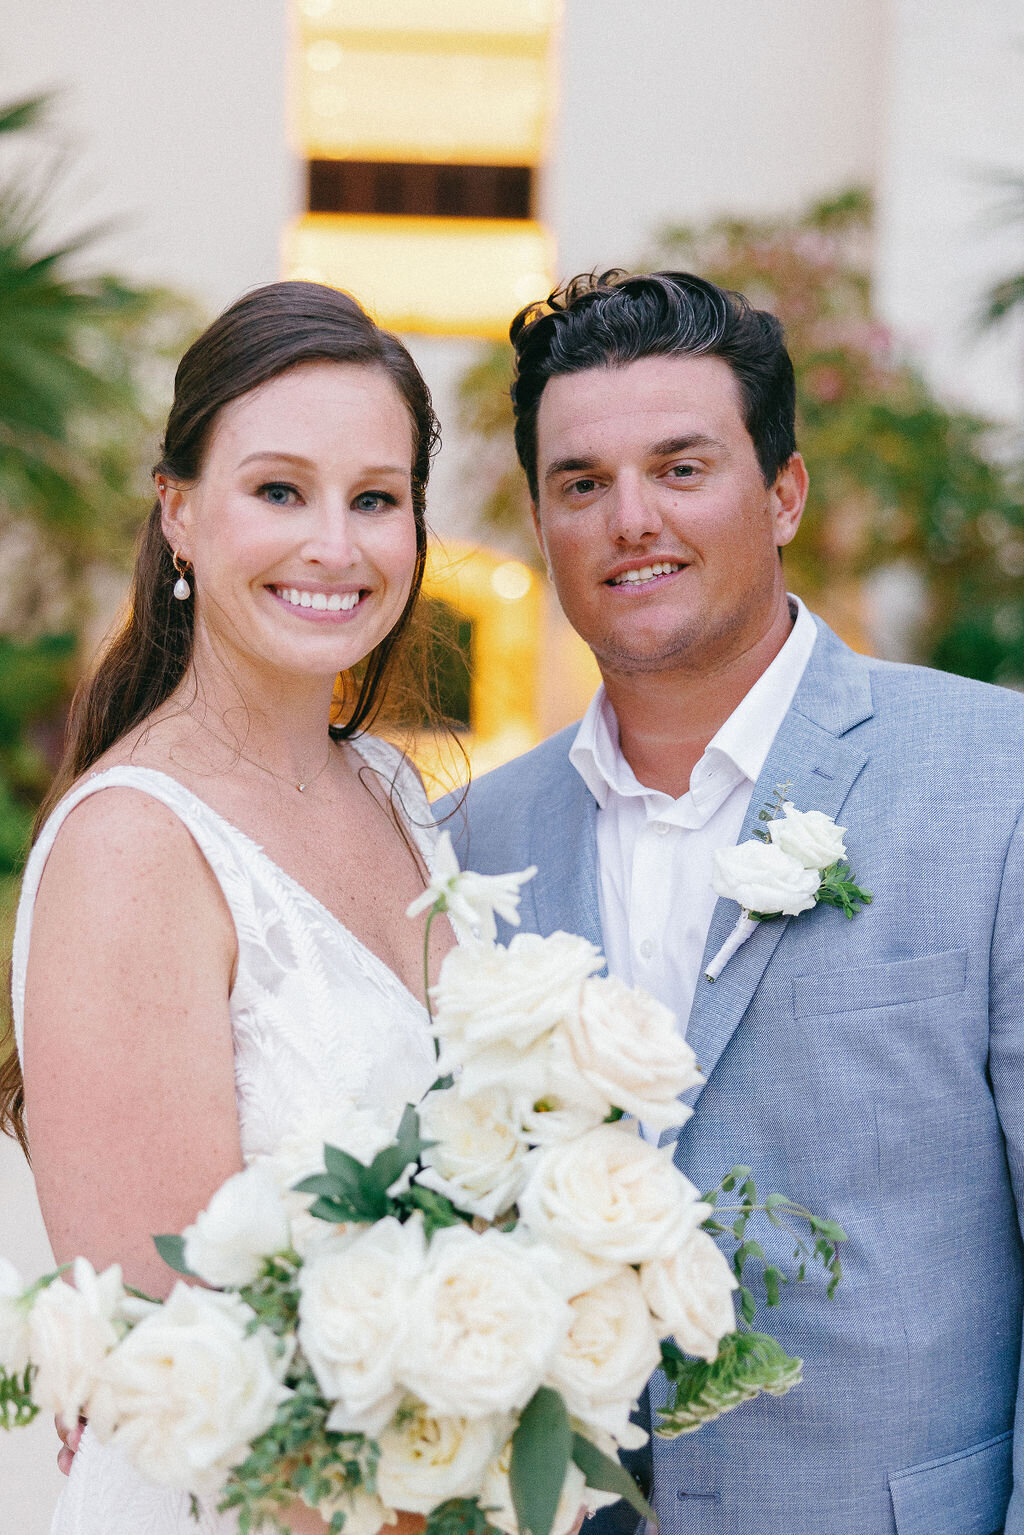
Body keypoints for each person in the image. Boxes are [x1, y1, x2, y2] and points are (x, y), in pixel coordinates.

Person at [445, 270, 1024, 1534]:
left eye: (681, 466)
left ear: (783, 494)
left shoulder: (999, 784)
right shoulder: (477, 840)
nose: (627, 518)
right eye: (579, 483)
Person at [2, 281, 453, 1535]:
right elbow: (182, 1375)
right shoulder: (134, 847)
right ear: (181, 512)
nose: (335, 543)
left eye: (376, 497)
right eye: (278, 490)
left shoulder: (396, 790)